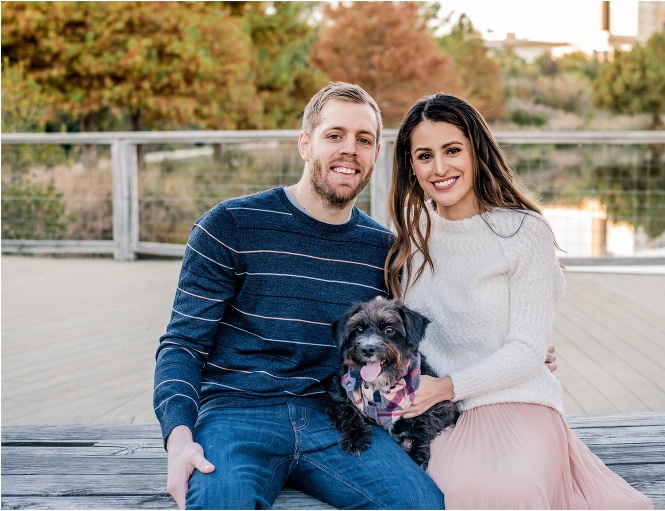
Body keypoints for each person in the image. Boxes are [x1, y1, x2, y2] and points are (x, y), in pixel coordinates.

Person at [152, 81, 446, 510]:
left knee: (421, 504)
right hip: (236, 415)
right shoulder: (230, 225)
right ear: (305, 144)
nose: (350, 149)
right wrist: (178, 439)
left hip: (340, 419)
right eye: (334, 135)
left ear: (375, 156)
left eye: (364, 140)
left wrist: (510, 351)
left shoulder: (383, 251)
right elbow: (182, 344)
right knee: (220, 502)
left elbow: (415, 335)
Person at [385, 92, 654, 510]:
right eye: (424, 156)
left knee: (506, 491)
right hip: (440, 417)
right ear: (410, 166)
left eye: (452, 150)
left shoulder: (524, 232)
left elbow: (527, 350)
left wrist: (449, 386)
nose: (440, 168)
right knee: (439, 491)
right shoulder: (412, 238)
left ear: (477, 152)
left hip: (517, 401)